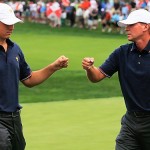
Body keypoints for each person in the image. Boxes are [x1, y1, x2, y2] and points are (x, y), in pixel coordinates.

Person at [0, 3, 69, 150]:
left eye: (13, 23)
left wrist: (53, 67)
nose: (11, 27)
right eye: (6, 23)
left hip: (14, 118)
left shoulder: (15, 49)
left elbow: (29, 79)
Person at [82, 8, 150, 150]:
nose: (127, 28)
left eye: (131, 25)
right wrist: (90, 68)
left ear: (145, 26)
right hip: (131, 122)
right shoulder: (122, 52)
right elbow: (97, 76)